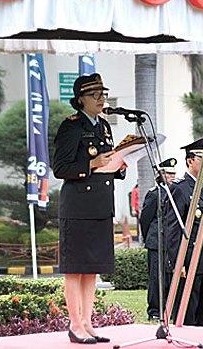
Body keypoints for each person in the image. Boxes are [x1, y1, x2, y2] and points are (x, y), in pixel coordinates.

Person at [53, 73, 123, 344]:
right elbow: (60, 168)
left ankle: (87, 321)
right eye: (94, 94)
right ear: (80, 99)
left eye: (103, 93)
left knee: (92, 268)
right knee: (75, 268)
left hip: (101, 205)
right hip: (78, 206)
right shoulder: (70, 127)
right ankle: (75, 324)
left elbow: (108, 163)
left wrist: (119, 165)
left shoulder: (104, 126)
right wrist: (91, 165)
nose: (101, 98)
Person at [164, 137, 203, 327]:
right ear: (190, 160)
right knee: (188, 315)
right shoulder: (180, 188)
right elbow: (173, 231)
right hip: (191, 261)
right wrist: (178, 263)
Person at [139, 158, 177, 321]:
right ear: (160, 175)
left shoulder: (176, 193)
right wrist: (151, 237)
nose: (172, 177)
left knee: (170, 277)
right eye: (168, 173)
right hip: (157, 242)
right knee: (156, 278)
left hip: (171, 242)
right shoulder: (154, 194)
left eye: (173, 174)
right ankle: (154, 310)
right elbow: (145, 219)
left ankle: (169, 308)